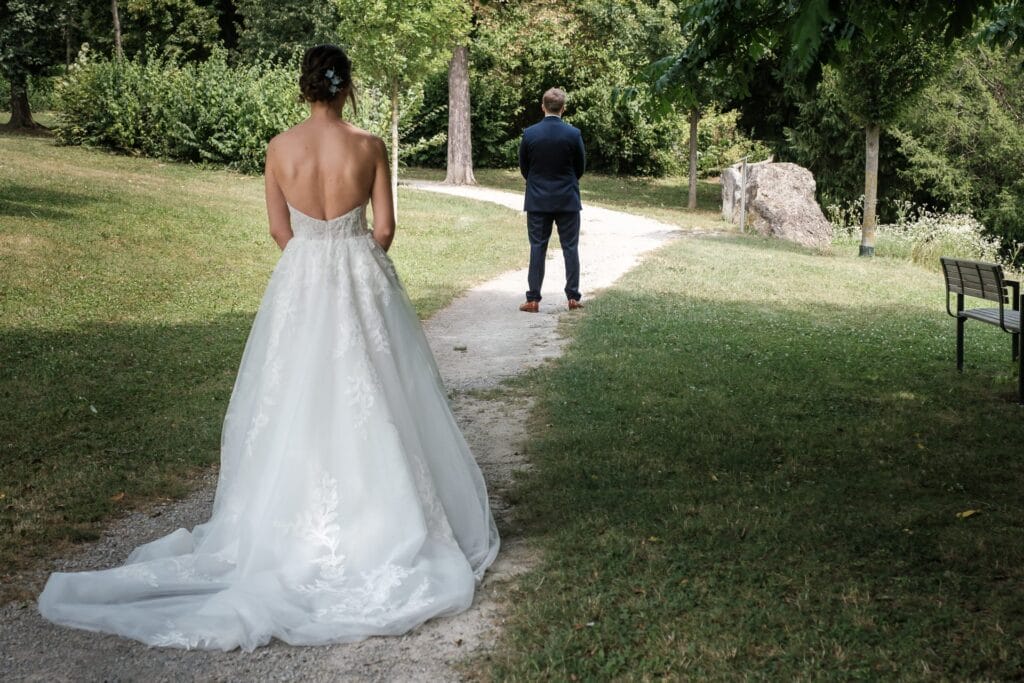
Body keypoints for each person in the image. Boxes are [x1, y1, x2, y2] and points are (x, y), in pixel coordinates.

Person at [38, 44, 500, 652]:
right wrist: (353, 264)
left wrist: (312, 266)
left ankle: (287, 522)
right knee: (380, 395)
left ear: (305, 87)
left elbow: (280, 230)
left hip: (300, 279)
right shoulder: (369, 147)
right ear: (346, 86)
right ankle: (384, 517)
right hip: (361, 274)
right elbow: (384, 230)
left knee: (293, 400)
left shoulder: (279, 149)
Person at [517, 87, 586, 313]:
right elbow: (580, 168)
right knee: (570, 247)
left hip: (538, 200)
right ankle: (573, 297)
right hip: (567, 199)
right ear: (563, 108)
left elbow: (525, 168)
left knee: (537, 247)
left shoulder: (530, 134)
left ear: (542, 106)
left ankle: (533, 299)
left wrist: (537, 183)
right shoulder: (573, 134)